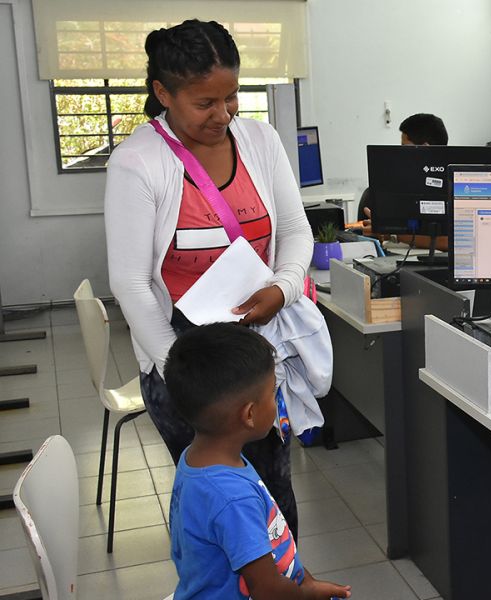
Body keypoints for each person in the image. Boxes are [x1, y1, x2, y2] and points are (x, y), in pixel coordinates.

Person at [104, 19, 311, 537]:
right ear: (162, 93)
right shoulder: (138, 163)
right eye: (205, 103)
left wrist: (281, 289)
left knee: (274, 494)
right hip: (182, 361)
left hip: (255, 351)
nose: (224, 115)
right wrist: (184, 376)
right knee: (217, 507)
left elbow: (294, 230)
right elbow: (130, 283)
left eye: (232, 97)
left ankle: (282, 585)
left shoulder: (260, 140)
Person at [164, 323, 350, 600]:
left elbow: (271, 545)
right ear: (249, 414)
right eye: (273, 393)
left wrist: (305, 581)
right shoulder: (232, 498)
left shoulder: (201, 458)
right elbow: (267, 590)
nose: (277, 402)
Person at [357, 113, 450, 251]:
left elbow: (451, 242)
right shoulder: (396, 188)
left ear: (424, 149)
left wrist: (393, 233)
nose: (401, 152)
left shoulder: (454, 187)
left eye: (405, 146)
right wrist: (378, 232)